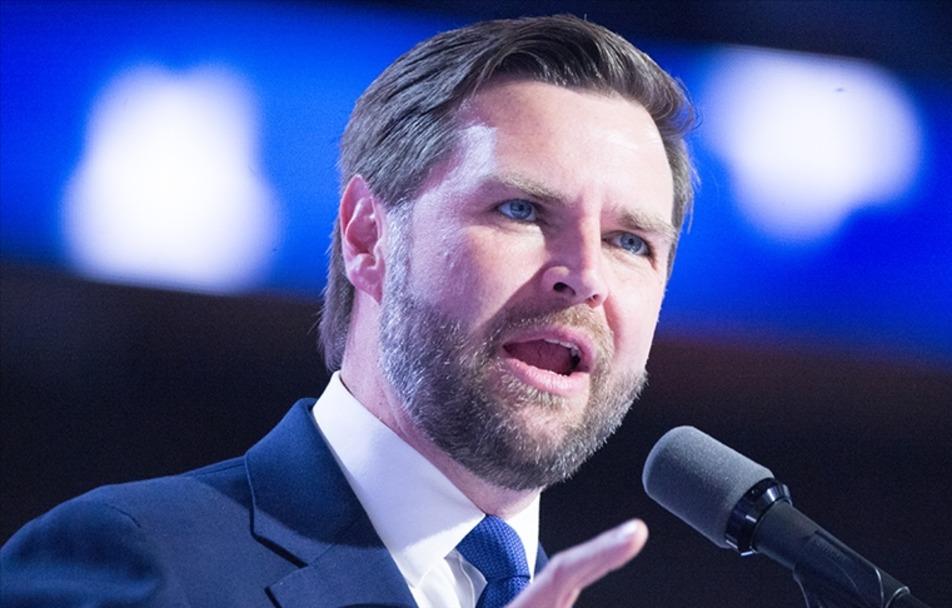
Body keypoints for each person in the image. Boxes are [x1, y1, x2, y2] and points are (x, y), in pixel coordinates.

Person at [0, 14, 695, 607]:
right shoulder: (137, 561)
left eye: (630, 242)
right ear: (368, 238)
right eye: (521, 209)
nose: (586, 276)